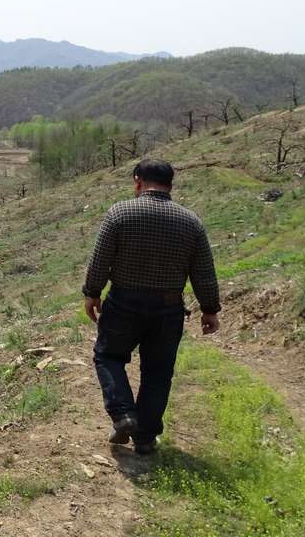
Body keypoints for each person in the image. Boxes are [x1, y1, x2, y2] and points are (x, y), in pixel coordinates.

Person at [83, 158, 221, 455]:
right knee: (158, 373)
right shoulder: (191, 221)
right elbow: (204, 272)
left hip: (123, 302)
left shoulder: (119, 213)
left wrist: (92, 292)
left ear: (137, 181)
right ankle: (145, 438)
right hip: (168, 310)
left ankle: (122, 415)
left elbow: (100, 260)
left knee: (109, 356)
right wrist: (210, 309)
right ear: (171, 186)